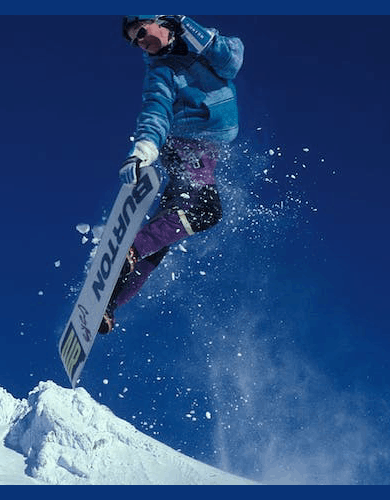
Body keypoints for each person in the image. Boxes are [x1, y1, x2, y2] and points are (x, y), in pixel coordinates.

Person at [100, 15, 244, 334]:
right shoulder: (160, 71)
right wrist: (144, 149)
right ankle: (131, 249)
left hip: (203, 154)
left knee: (166, 231)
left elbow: (232, 61)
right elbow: (155, 111)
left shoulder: (202, 46)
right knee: (206, 211)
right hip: (186, 148)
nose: (140, 42)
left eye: (140, 32)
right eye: (134, 41)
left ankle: (108, 302)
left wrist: (191, 29)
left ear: (160, 18)